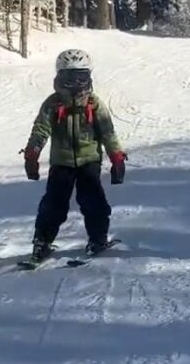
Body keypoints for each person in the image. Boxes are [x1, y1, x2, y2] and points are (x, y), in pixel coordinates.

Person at [21, 49, 127, 263]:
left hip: (89, 161)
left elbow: (107, 132)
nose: (76, 83)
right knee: (54, 203)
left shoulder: (94, 104)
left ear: (88, 77)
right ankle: (42, 240)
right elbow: (41, 129)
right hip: (62, 162)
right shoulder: (52, 104)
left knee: (92, 200)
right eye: (70, 77)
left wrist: (116, 157)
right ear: (60, 77)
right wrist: (32, 154)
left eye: (81, 77)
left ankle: (98, 237)